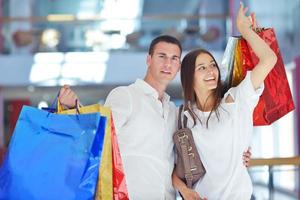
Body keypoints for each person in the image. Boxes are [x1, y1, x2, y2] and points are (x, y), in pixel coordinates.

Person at [59, 35, 252, 199]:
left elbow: (191, 154)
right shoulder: (126, 95)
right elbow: (99, 134)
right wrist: (73, 108)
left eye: (174, 58)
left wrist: (237, 155)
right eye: (162, 56)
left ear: (178, 67)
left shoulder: (175, 113)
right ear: (148, 59)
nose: (168, 63)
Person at [172, 3, 277, 200]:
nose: (211, 71)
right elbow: (177, 169)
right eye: (201, 68)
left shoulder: (236, 100)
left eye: (212, 65)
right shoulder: (184, 115)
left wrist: (245, 31)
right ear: (189, 77)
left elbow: (269, 59)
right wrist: (185, 191)